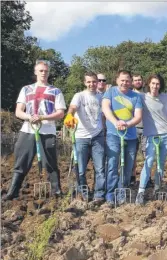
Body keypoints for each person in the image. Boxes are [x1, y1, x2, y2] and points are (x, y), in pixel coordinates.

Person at [3, 60, 66, 200]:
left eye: (46, 71)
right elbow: (18, 112)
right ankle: (12, 192)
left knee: (51, 162)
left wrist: (43, 117)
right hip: (28, 130)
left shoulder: (55, 91)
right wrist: (30, 117)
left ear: (49, 73)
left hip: (48, 131)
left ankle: (57, 192)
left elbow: (60, 113)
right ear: (35, 72)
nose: (44, 73)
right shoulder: (26, 89)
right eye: (41, 70)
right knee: (21, 161)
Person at [102, 70, 143, 207]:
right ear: (117, 80)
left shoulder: (136, 97)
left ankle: (122, 193)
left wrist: (127, 124)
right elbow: (106, 108)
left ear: (131, 82)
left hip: (130, 136)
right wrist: (116, 122)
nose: (124, 83)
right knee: (113, 164)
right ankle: (110, 193)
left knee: (127, 165)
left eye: (127, 80)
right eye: (122, 80)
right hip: (114, 135)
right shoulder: (111, 92)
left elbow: (138, 116)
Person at [64, 71, 105, 203]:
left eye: (94, 81)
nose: (91, 84)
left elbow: (104, 115)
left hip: (97, 136)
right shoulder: (79, 96)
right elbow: (73, 107)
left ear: (97, 82)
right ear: (84, 82)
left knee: (100, 168)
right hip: (81, 137)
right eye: (88, 82)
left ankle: (99, 194)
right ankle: (84, 192)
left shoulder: (101, 97)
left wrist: (104, 129)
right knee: (80, 169)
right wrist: (70, 115)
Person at [134, 74, 167, 204]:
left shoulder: (166, 97)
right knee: (148, 162)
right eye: (153, 83)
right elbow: (127, 94)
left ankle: (157, 188)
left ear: (160, 85)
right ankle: (141, 191)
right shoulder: (142, 97)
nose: (155, 86)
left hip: (166, 135)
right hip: (150, 135)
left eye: (157, 84)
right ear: (148, 84)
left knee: (160, 164)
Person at [131, 73, 145, 186]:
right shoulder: (129, 95)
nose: (137, 82)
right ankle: (132, 177)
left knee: (147, 155)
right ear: (132, 82)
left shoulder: (147, 96)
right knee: (132, 155)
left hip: (146, 128)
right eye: (135, 80)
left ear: (143, 82)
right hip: (133, 128)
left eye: (139, 80)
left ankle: (146, 178)